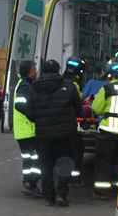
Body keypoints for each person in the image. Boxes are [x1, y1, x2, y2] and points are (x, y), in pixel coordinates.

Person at [20, 59, 82, 207]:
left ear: (43, 72)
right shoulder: (69, 85)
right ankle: (61, 193)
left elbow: (27, 110)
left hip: (44, 134)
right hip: (66, 134)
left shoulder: (34, 87)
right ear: (59, 70)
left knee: (46, 166)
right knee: (66, 163)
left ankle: (49, 197)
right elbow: (78, 109)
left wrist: (39, 120)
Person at [91, 60, 118, 200]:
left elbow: (96, 108)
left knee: (104, 161)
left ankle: (100, 192)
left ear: (112, 76)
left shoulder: (107, 88)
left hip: (108, 131)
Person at [13, 60, 41, 198]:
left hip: (22, 131)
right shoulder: (25, 85)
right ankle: (31, 182)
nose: (36, 72)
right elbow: (19, 104)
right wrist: (34, 116)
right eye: (35, 70)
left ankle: (29, 184)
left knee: (28, 159)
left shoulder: (22, 83)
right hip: (28, 130)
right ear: (30, 71)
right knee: (38, 158)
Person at [63, 56, 87, 187]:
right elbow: (78, 101)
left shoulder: (62, 79)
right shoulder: (74, 83)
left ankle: (65, 178)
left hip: (60, 122)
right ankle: (74, 179)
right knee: (77, 150)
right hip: (72, 122)